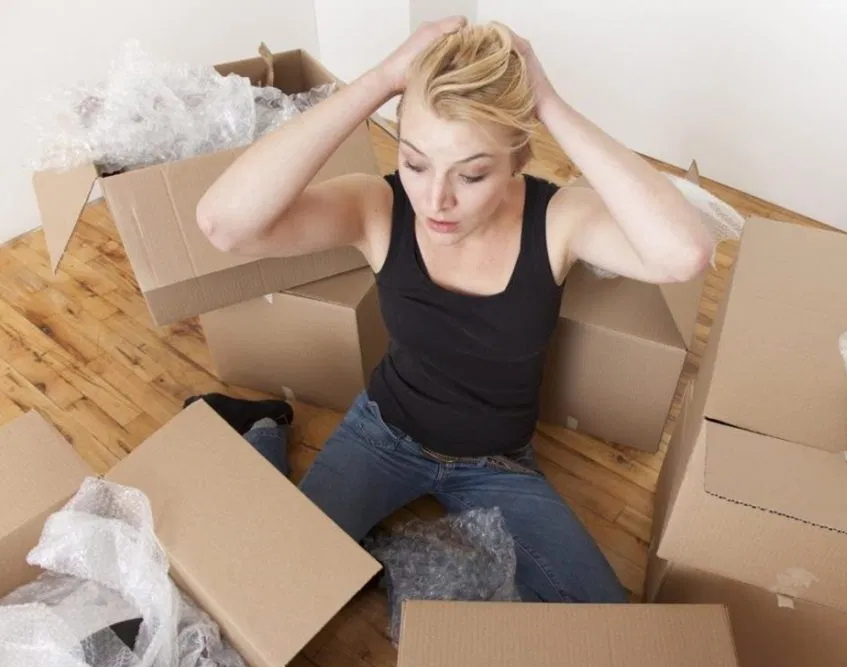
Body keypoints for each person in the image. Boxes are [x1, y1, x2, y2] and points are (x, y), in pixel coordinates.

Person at [194, 17, 714, 604]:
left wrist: (548, 103)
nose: (435, 200)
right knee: (273, 592)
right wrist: (381, 80)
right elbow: (224, 225)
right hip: (382, 435)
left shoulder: (557, 220)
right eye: (416, 164)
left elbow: (683, 254)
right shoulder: (378, 207)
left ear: (517, 158)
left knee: (605, 618)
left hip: (498, 463)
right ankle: (265, 431)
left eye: (471, 173)